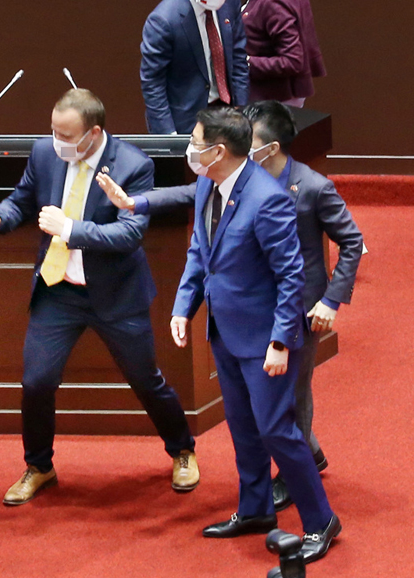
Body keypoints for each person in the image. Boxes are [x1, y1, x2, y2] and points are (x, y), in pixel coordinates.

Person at [98, 101, 363, 512]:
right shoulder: (219, 184)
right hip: (235, 321)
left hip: (291, 314)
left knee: (285, 412)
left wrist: (321, 307)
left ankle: (310, 504)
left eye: (196, 141)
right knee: (249, 421)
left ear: (265, 148)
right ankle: (262, 502)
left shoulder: (295, 190)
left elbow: (321, 258)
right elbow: (197, 230)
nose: (190, 148)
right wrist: (136, 204)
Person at [0, 89, 199, 507]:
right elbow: (21, 202)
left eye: (66, 135)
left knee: (145, 379)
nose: (56, 141)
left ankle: (182, 449)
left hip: (116, 295)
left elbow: (129, 233)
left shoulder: (133, 165)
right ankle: (39, 466)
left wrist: (70, 229)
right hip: (58, 289)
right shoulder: (44, 153)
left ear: (93, 133)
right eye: (53, 131)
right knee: (36, 382)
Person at [169, 107, 339, 563]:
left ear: (218, 151)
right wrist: (184, 306)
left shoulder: (268, 198)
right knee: (243, 427)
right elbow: (200, 250)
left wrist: (281, 341)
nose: (190, 150)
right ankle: (256, 509)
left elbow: (291, 276)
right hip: (225, 332)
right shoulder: (208, 184)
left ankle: (321, 520)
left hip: (266, 341)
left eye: (196, 142)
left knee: (276, 430)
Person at [242, 100, 362, 508]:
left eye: (248, 142)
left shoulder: (312, 187)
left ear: (272, 147)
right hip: (257, 303)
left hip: (301, 308)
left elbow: (352, 242)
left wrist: (331, 299)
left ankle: (296, 475)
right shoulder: (243, 180)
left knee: (293, 393)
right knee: (262, 392)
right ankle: (309, 452)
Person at [140, 0, 250, 134]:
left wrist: (240, 109)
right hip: (186, 120)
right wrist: (168, 134)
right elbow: (153, 83)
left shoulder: (229, 4)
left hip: (227, 113)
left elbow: (238, 57)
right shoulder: (163, 20)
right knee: (195, 150)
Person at [242, 0, 327, 106]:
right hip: (266, 95)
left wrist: (244, 62)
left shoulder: (273, 5)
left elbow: (292, 61)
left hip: (272, 101)